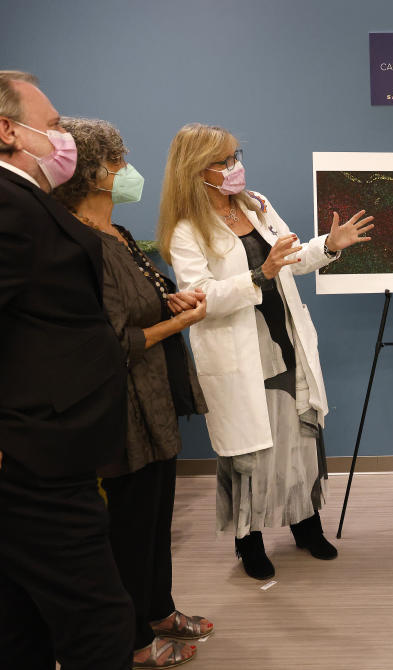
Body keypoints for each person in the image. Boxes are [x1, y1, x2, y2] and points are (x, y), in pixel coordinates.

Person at [157, 124, 374, 580]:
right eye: (224, 161)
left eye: (237, 156)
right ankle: (248, 540)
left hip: (286, 340)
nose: (235, 168)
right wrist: (258, 276)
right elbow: (199, 297)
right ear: (196, 172)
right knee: (251, 453)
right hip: (240, 353)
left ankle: (306, 524)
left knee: (301, 438)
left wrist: (328, 248)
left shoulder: (255, 203)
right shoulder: (185, 229)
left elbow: (288, 257)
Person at [52, 117, 213, 668]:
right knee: (129, 526)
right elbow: (114, 341)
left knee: (155, 518)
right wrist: (182, 322)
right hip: (124, 409)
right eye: (118, 161)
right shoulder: (85, 243)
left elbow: (140, 304)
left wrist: (170, 303)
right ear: (94, 172)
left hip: (156, 400)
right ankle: (134, 641)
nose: (126, 171)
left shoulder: (119, 235)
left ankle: (160, 609)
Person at [0, 71, 135, 668]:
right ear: (9, 130)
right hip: (37, 455)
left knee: (23, 616)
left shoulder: (27, 203)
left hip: (48, 446)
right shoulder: (9, 208)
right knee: (99, 618)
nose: (64, 137)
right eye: (53, 126)